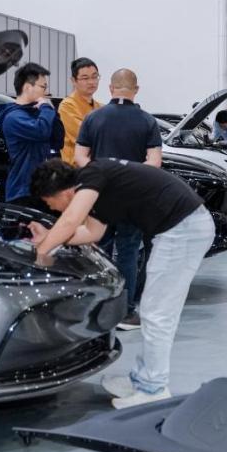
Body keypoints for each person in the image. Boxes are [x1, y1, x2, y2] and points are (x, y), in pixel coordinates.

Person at [29, 158, 214, 409]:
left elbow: (71, 221)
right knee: (154, 311)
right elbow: (92, 233)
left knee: (157, 314)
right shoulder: (95, 186)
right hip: (181, 228)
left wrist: (42, 253)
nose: (51, 209)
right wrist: (48, 238)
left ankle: (153, 388)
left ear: (63, 193)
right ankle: (143, 380)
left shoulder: (91, 176)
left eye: (49, 203)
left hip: (183, 229)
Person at [73, 68, 163, 330]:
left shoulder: (93, 118)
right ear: (136, 90)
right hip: (132, 197)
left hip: (99, 194)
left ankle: (99, 308)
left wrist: (102, 175)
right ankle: (126, 312)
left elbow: (80, 157)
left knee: (98, 249)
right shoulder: (147, 121)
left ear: (111, 88)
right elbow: (154, 161)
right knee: (128, 251)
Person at [0, 62, 64, 203]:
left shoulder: (38, 112)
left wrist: (51, 112)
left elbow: (58, 140)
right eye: (43, 87)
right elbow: (41, 131)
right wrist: (46, 108)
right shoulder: (13, 117)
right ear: (27, 87)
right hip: (22, 191)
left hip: (42, 189)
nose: (45, 92)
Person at [57, 57, 102, 165]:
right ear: (73, 81)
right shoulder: (67, 106)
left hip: (96, 166)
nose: (91, 82)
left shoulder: (100, 107)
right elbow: (83, 136)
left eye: (95, 77)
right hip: (75, 168)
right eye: (85, 78)